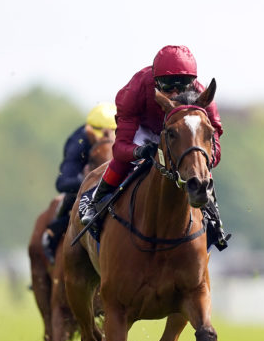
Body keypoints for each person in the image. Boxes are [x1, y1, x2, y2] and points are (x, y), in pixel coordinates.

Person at [79, 44, 230, 250]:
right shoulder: (136, 89)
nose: (175, 93)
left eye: (182, 85)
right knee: (124, 163)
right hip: (145, 130)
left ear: (192, 83)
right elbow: (120, 147)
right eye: (168, 86)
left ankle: (214, 221)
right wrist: (139, 151)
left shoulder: (203, 96)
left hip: (183, 133)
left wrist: (202, 160)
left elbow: (215, 146)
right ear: (156, 81)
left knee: (199, 165)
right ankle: (95, 201)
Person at [41, 102, 117, 263]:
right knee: (71, 199)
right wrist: (90, 181)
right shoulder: (79, 142)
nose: (108, 137)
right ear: (92, 132)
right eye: (104, 134)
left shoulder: (126, 134)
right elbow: (63, 182)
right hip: (83, 186)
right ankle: (52, 236)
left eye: (112, 133)